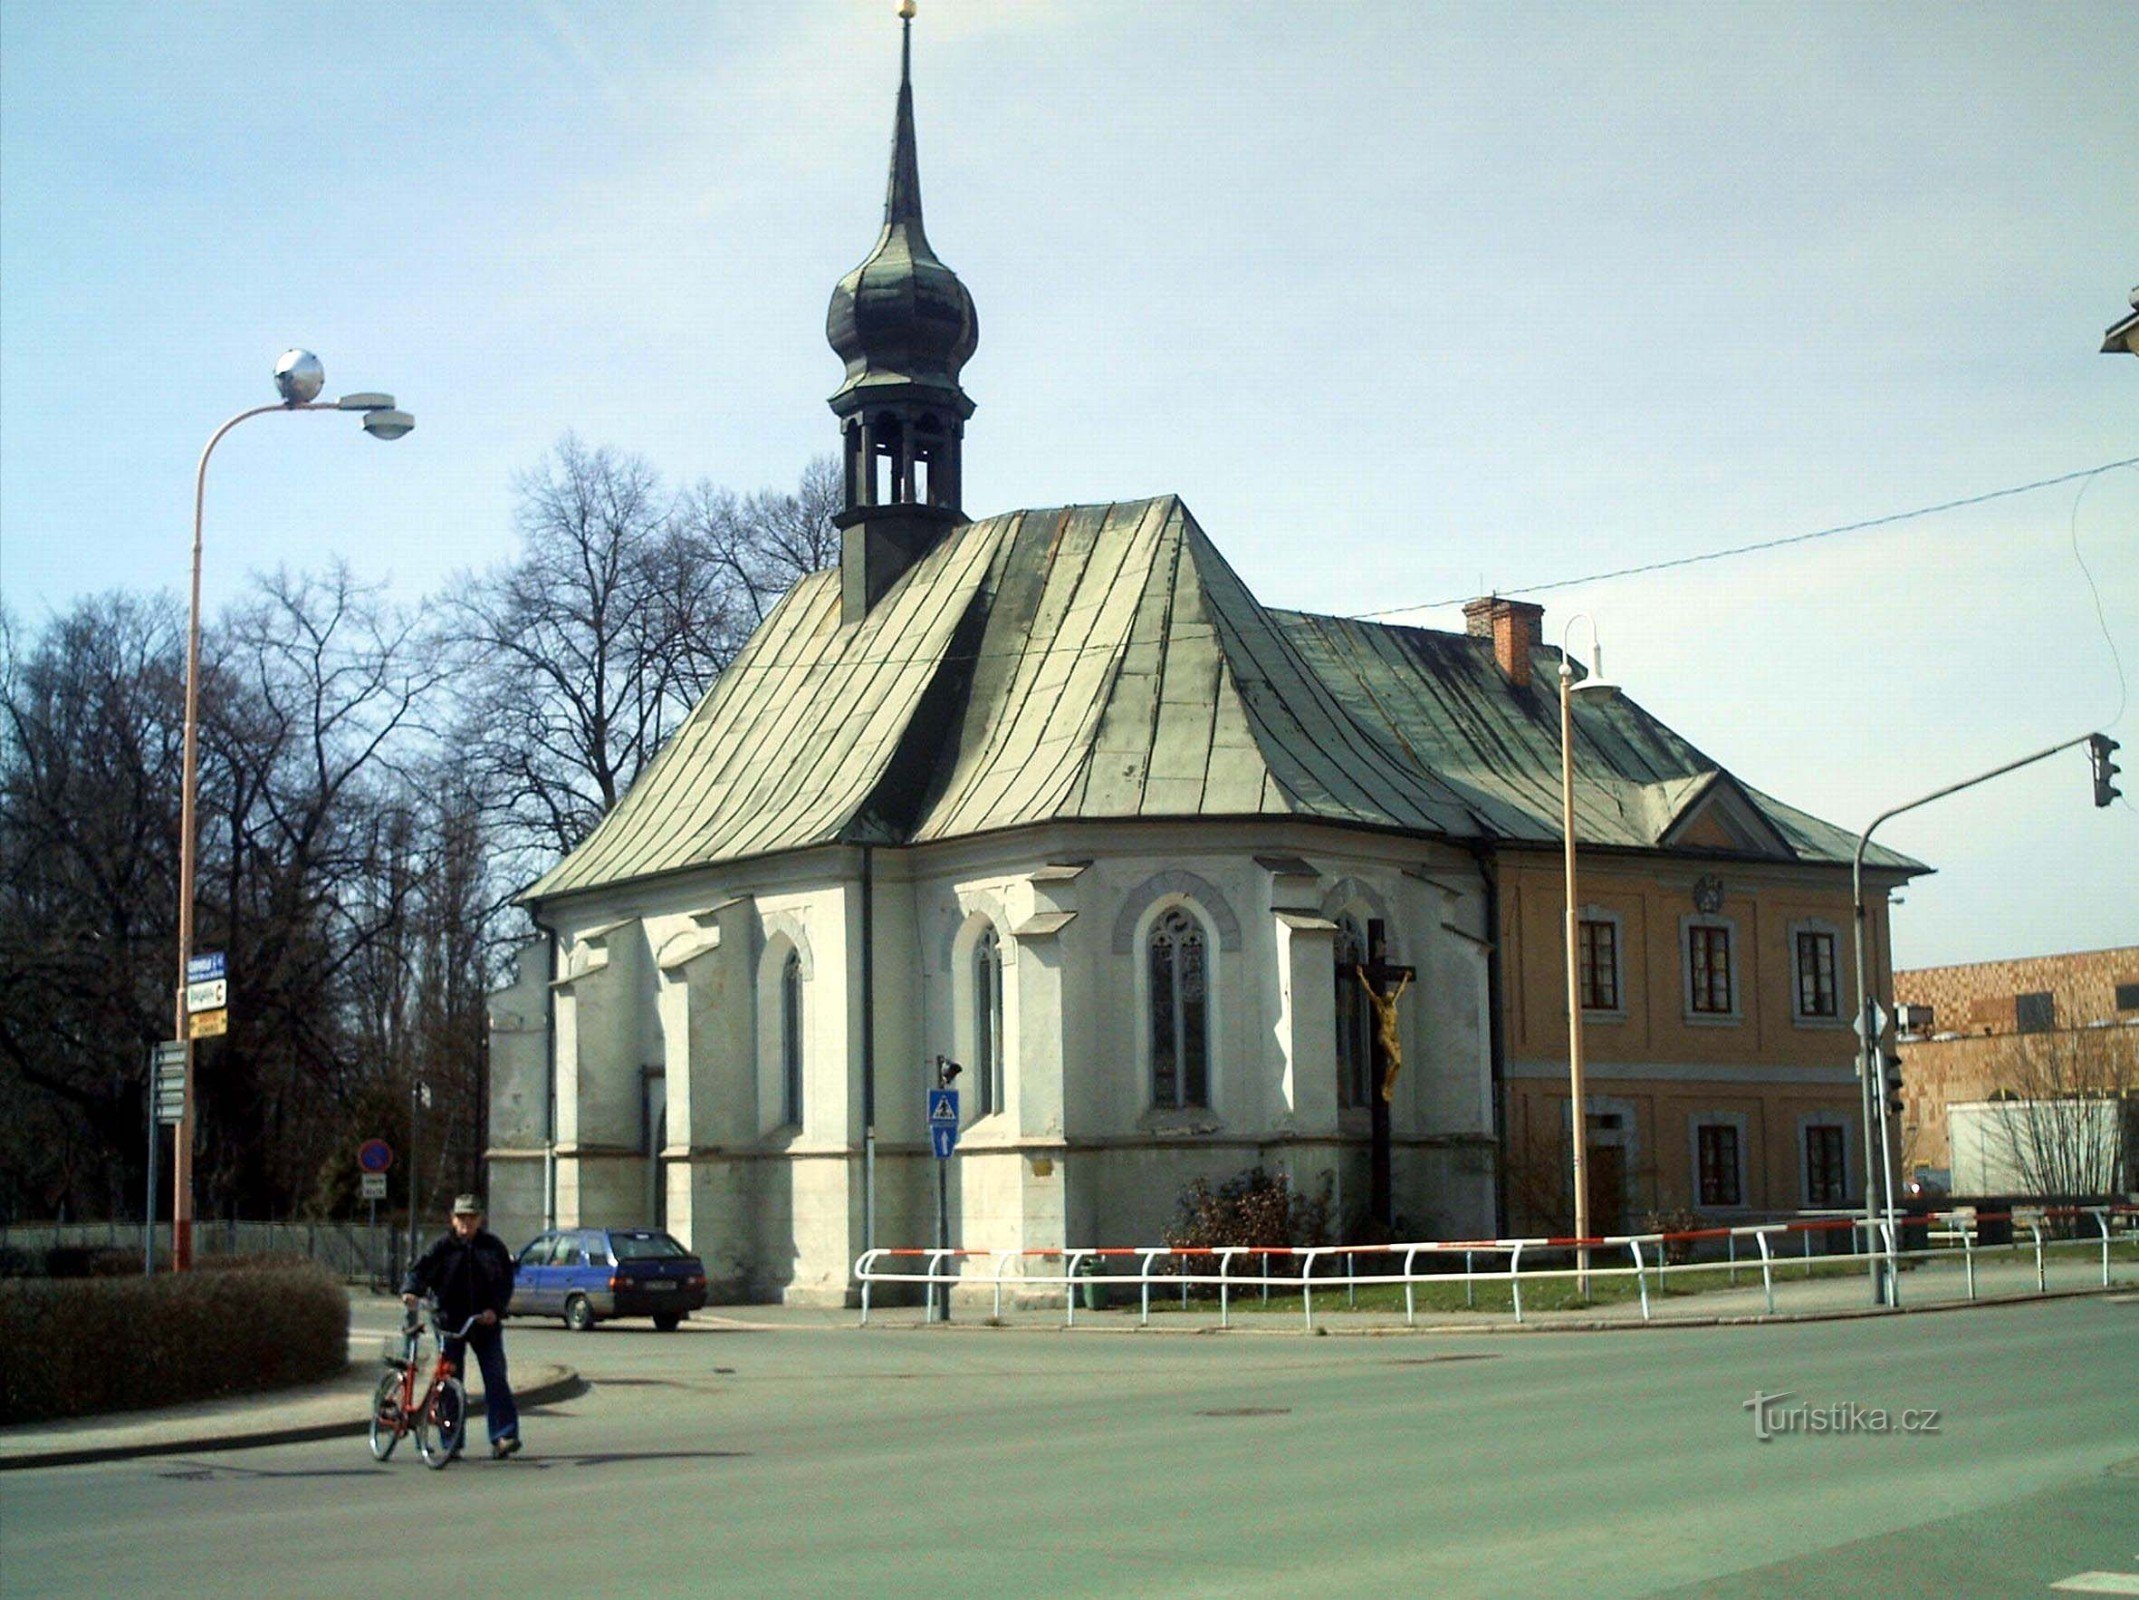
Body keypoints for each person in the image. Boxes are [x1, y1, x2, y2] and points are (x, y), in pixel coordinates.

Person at [402, 1193, 521, 1459]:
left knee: (496, 1377)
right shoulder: (442, 1247)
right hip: (449, 1322)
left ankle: (504, 1435)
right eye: (461, 1217)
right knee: (449, 1381)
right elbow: (419, 1271)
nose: (466, 1222)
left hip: (484, 1323)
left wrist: (495, 1309)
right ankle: (451, 1440)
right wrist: (412, 1291)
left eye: (472, 1217)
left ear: (481, 1219)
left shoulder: (492, 1248)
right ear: (453, 1219)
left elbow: (505, 1283)